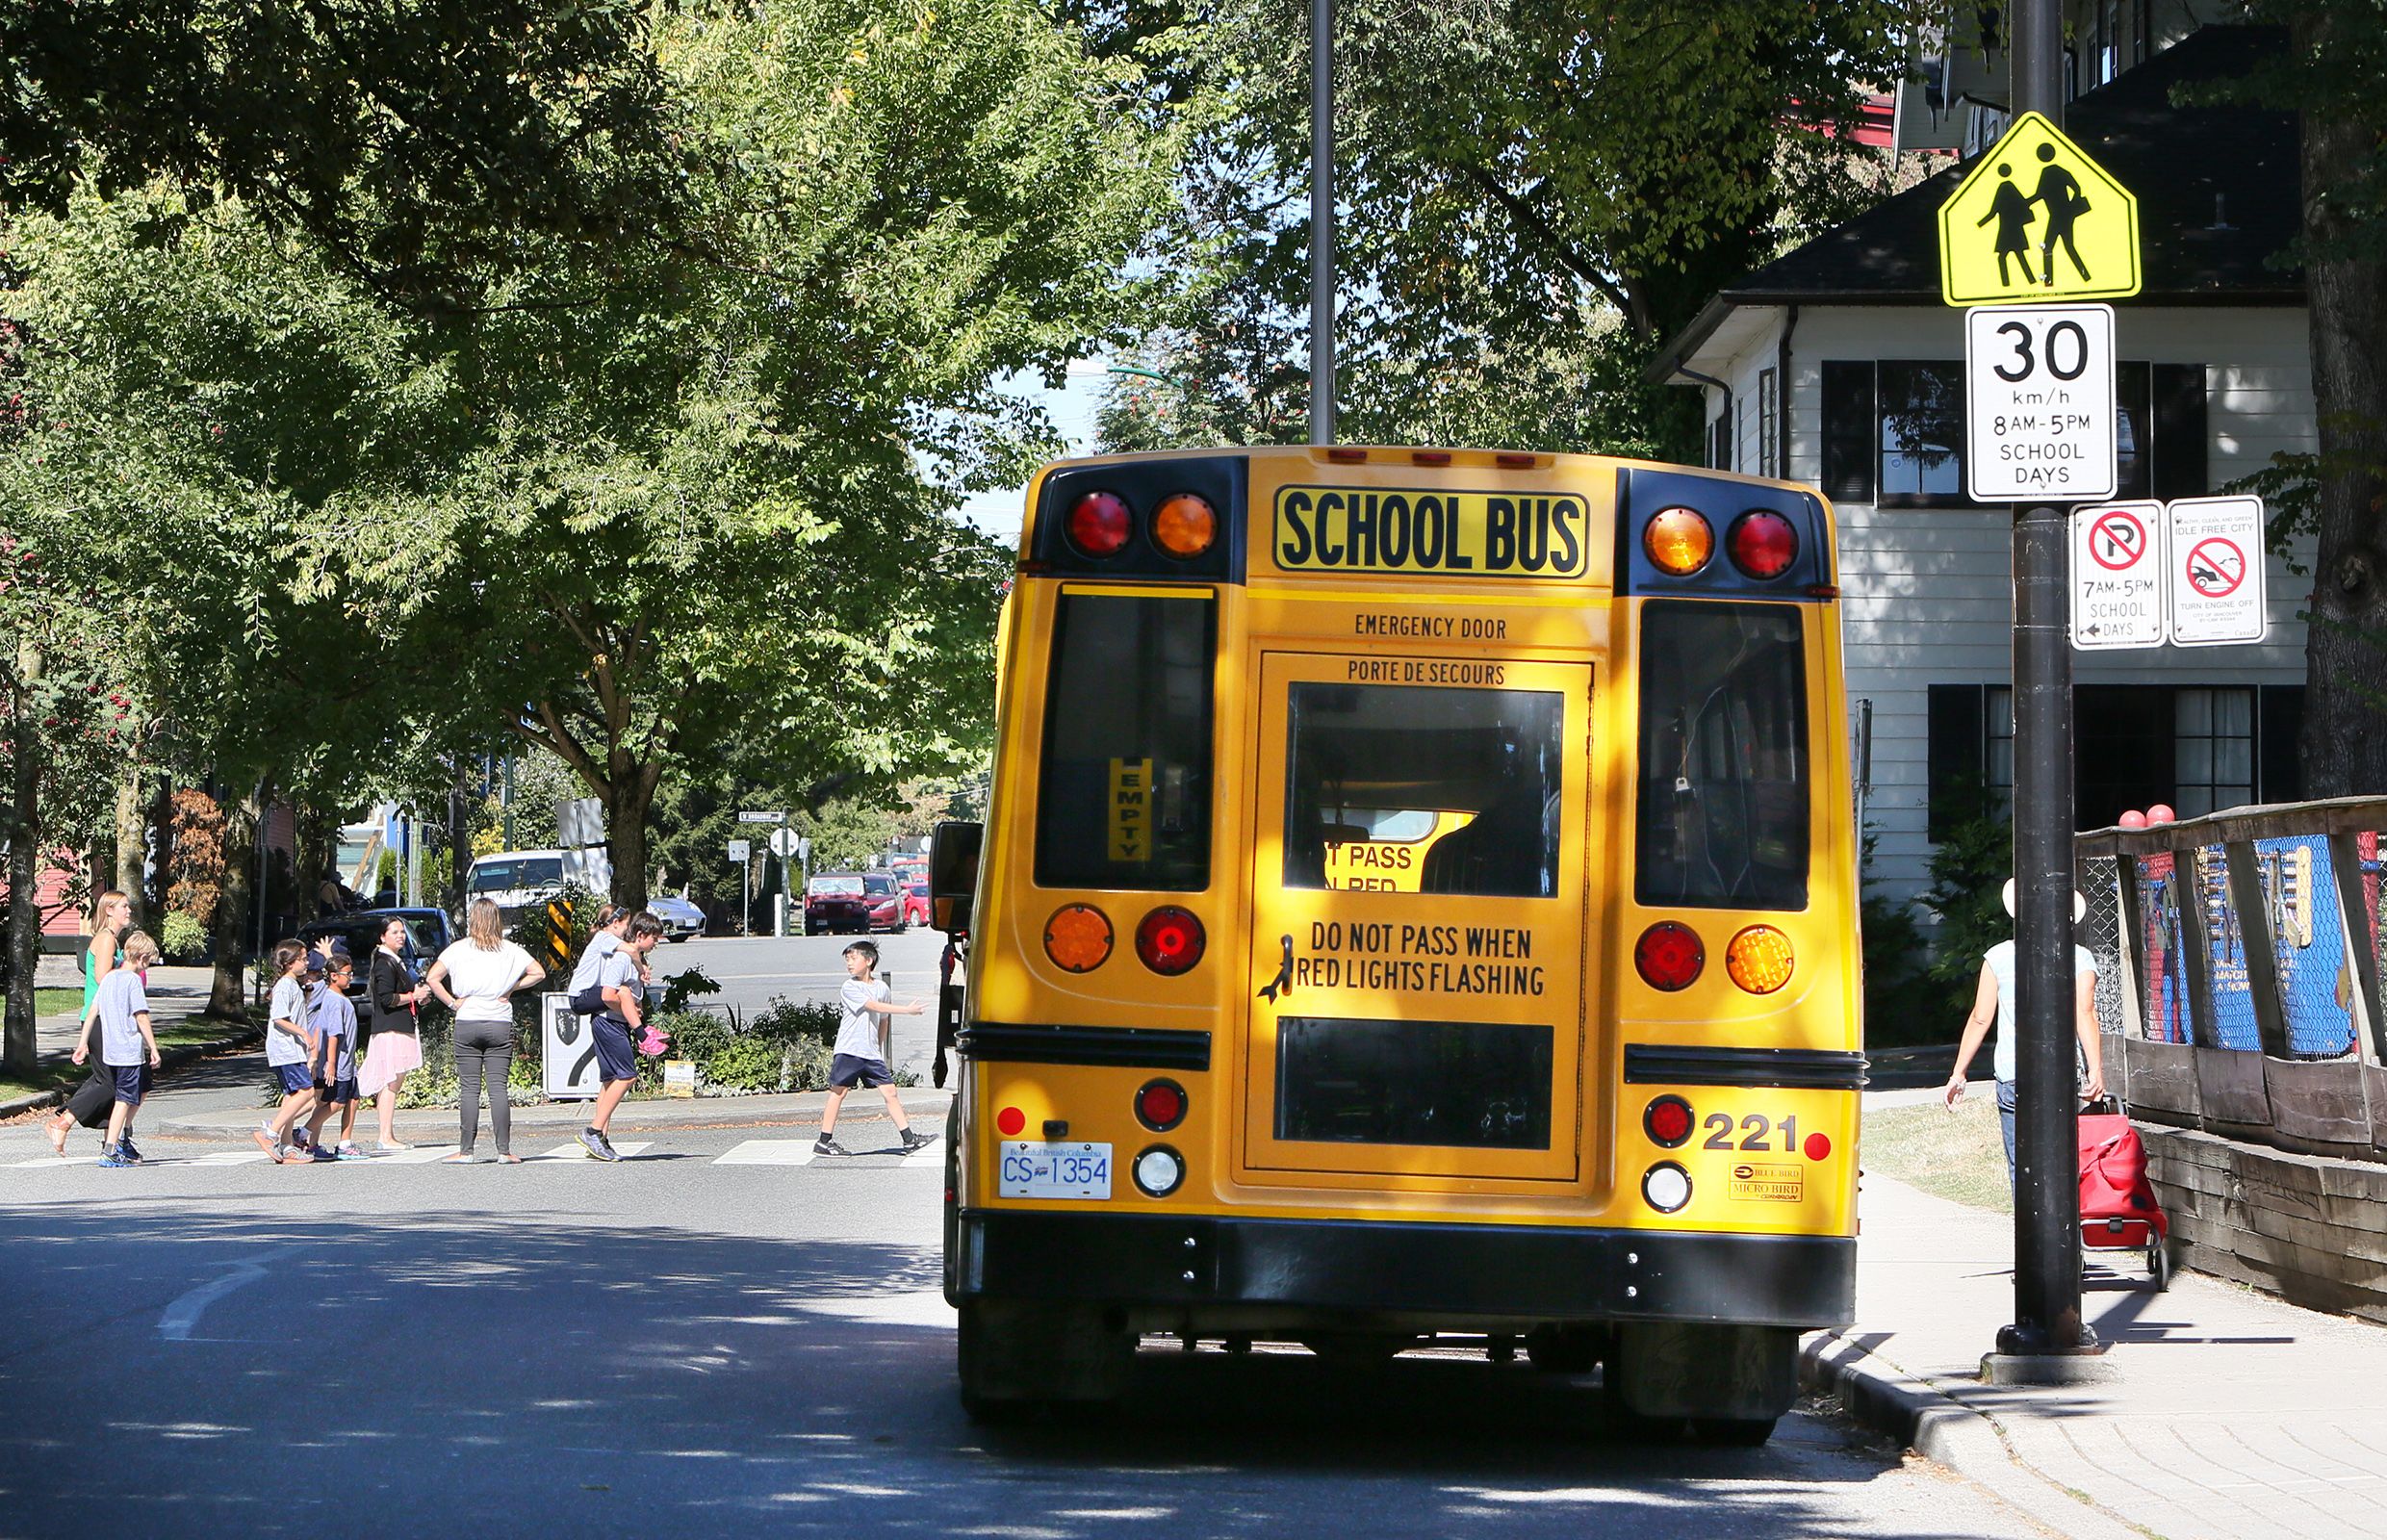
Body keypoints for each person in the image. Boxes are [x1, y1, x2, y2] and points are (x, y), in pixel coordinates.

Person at [1943, 878, 2107, 1187]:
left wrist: (1958, 1073)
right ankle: (2063, 1231)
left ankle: (2028, 1233)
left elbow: (1980, 1019)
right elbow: (2085, 1013)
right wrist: (2095, 1070)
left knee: (2022, 1165)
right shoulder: (2078, 957)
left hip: (2012, 1074)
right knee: (2061, 1162)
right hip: (2059, 1075)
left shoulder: (1997, 958)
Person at [424, 898, 545, 1164]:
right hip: (499, 1021)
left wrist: (453, 1003)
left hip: (467, 1020)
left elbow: (432, 978)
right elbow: (538, 973)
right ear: (497, 920)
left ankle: (466, 1150)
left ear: (472, 919)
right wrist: (511, 988)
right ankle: (504, 1150)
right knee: (498, 1089)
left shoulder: (458, 950)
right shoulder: (510, 950)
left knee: (469, 1089)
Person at [814, 939, 935, 1158]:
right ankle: (824, 1141)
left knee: (890, 1092)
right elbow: (873, 1006)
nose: (849, 964)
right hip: (850, 1049)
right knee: (838, 1092)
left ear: (868, 961)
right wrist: (907, 1010)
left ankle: (909, 1140)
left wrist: (877, 1048)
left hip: (870, 1053)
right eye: (847, 960)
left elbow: (883, 1020)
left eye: (853, 958)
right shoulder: (850, 987)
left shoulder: (882, 988)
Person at [46, 889, 133, 1157]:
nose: (129, 911)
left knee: (111, 1080)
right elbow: (103, 977)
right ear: (109, 910)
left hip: (108, 1017)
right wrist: (129, 969)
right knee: (110, 1083)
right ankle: (62, 1122)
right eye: (124, 907)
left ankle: (114, 1142)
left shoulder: (113, 941)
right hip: (99, 1018)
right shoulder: (106, 939)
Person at [578, 911, 663, 1162]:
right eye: (654, 938)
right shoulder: (622, 959)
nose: (656, 943)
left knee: (610, 1080)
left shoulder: (633, 960)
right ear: (640, 935)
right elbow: (608, 994)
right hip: (609, 1023)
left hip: (613, 1022)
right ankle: (592, 1131)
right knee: (627, 1076)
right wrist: (630, 1013)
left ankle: (600, 1139)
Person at [72, 930, 162, 1168]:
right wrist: (153, 1047)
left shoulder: (109, 978)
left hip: (111, 1051)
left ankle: (123, 1133)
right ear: (142, 957)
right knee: (123, 1099)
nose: (148, 966)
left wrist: (82, 1043)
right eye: (149, 961)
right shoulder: (133, 981)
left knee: (143, 1088)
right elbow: (141, 1017)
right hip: (128, 1051)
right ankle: (111, 1148)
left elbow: (92, 1012)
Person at [252, 940, 327, 1164]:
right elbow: (279, 1017)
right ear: (290, 962)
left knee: (291, 1096)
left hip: (291, 1050)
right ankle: (270, 1133)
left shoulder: (294, 985)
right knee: (306, 1092)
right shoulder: (285, 985)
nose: (307, 963)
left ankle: (287, 1146)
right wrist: (304, 1034)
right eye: (303, 959)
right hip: (286, 1049)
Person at [362, 915, 430, 1151]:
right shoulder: (384, 961)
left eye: (402, 932)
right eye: (394, 932)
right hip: (390, 1028)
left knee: (392, 1082)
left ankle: (386, 1134)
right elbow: (387, 998)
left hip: (399, 1025)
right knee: (390, 1082)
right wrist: (414, 996)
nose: (400, 936)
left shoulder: (395, 960)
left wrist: (418, 995)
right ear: (382, 937)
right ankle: (385, 1136)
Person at [303, 953, 364, 1157]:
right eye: (347, 974)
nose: (351, 978)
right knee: (336, 1102)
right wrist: (331, 1062)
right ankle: (302, 1133)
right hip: (340, 1063)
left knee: (353, 1098)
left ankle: (345, 1142)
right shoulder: (334, 1000)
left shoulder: (336, 998)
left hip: (348, 1062)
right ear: (334, 976)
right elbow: (333, 1034)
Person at [1976, 161, 2038, 288]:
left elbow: (1993, 212)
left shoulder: (2003, 189)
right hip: (2015, 229)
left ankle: (2006, 284)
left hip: (2007, 230)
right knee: (2018, 256)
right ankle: (2029, 280)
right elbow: (2023, 203)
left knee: (2004, 257)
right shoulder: (2011, 188)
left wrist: (1979, 224)